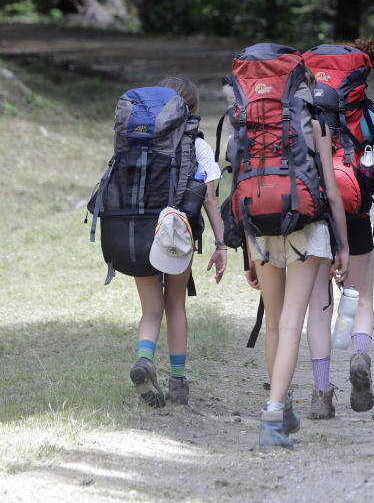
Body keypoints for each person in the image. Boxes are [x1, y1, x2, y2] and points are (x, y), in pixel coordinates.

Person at [302, 38, 374, 418]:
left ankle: (320, 393)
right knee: (361, 298)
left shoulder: (305, 112)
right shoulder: (372, 114)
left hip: (314, 213)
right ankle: (360, 355)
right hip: (356, 215)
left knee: (318, 305)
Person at [245, 67, 350, 448]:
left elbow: (242, 184)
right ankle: (273, 416)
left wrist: (247, 251)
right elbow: (333, 192)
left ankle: (283, 403)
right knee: (292, 323)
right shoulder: (315, 122)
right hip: (308, 226)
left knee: (274, 322)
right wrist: (343, 245)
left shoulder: (251, 121)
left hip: (259, 227)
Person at [130, 77, 228, 407]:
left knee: (151, 309)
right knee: (175, 305)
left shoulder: (136, 140)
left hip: (140, 231)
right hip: (177, 234)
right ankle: (177, 381)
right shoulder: (196, 145)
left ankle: (145, 360)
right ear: (192, 109)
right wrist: (220, 244)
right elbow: (210, 199)